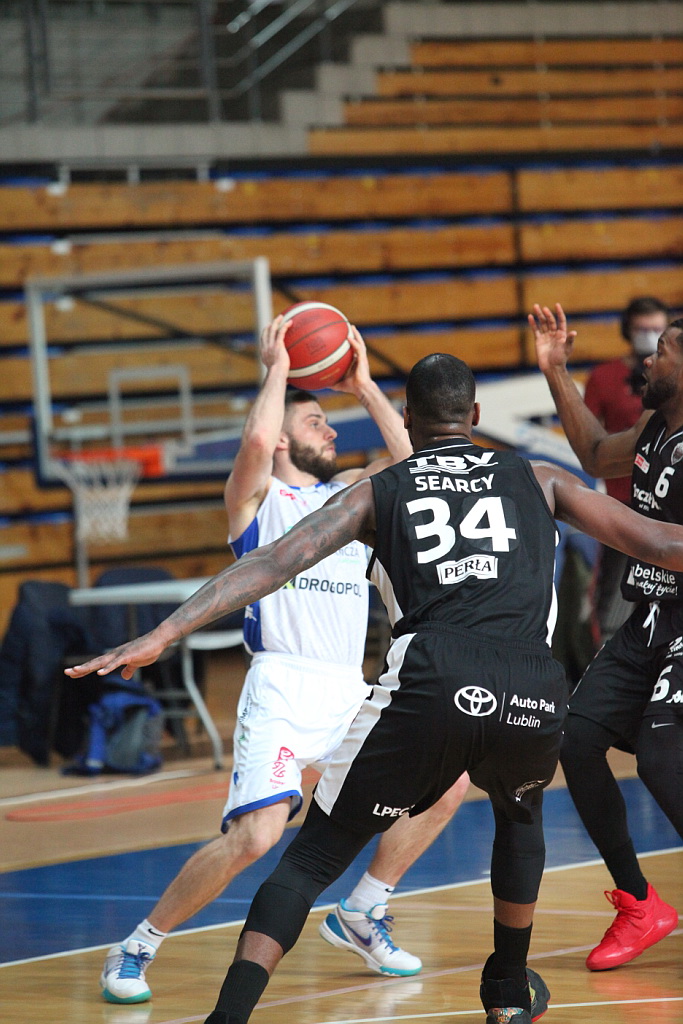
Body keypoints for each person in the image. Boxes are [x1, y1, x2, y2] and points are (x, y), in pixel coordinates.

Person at [66, 349, 683, 1023]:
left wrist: (164, 632)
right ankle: (508, 987)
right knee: (520, 816)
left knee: (310, 860)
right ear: (475, 415)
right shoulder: (538, 477)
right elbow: (658, 544)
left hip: (433, 675)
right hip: (533, 683)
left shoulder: (378, 490)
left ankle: (230, 1015)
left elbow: (275, 561)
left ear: (409, 420)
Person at [92, 316, 468, 1004]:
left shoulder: (353, 501)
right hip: (283, 684)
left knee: (448, 782)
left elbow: (417, 461)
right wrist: (277, 370)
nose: (330, 432)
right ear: (288, 439)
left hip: (349, 689)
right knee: (256, 836)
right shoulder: (259, 500)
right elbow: (257, 442)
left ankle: (363, 910)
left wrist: (362, 385)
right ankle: (137, 944)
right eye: (316, 421)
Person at [531, 302, 681, 972]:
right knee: (575, 739)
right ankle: (640, 903)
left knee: (661, 756)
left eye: (664, 350)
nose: (649, 358)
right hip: (649, 616)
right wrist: (554, 370)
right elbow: (593, 452)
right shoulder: (654, 426)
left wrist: (594, 516)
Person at [584, 296, 669, 645]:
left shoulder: (673, 378)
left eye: (656, 329)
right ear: (627, 330)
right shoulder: (604, 377)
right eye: (642, 329)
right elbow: (589, 440)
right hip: (621, 505)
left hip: (669, 506)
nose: (649, 336)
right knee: (613, 600)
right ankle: (604, 661)